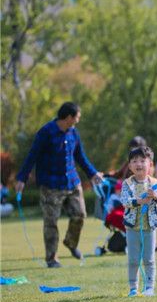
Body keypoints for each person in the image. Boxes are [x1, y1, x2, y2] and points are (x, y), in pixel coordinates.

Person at [15, 102, 103, 268]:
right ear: (69, 117)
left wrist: (93, 174)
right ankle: (52, 258)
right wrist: (21, 178)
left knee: (80, 215)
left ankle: (71, 243)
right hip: (50, 185)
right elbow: (32, 156)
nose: (78, 120)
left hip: (72, 182)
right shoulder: (46, 132)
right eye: (77, 117)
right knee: (51, 222)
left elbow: (81, 157)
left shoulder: (73, 133)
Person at [120, 146, 157, 297]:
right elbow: (124, 201)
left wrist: (156, 196)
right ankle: (133, 288)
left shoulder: (155, 183)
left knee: (149, 259)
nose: (138, 164)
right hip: (132, 228)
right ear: (130, 166)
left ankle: (149, 287)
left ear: (150, 164)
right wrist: (138, 201)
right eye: (134, 161)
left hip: (149, 228)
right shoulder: (127, 184)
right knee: (133, 259)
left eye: (142, 160)